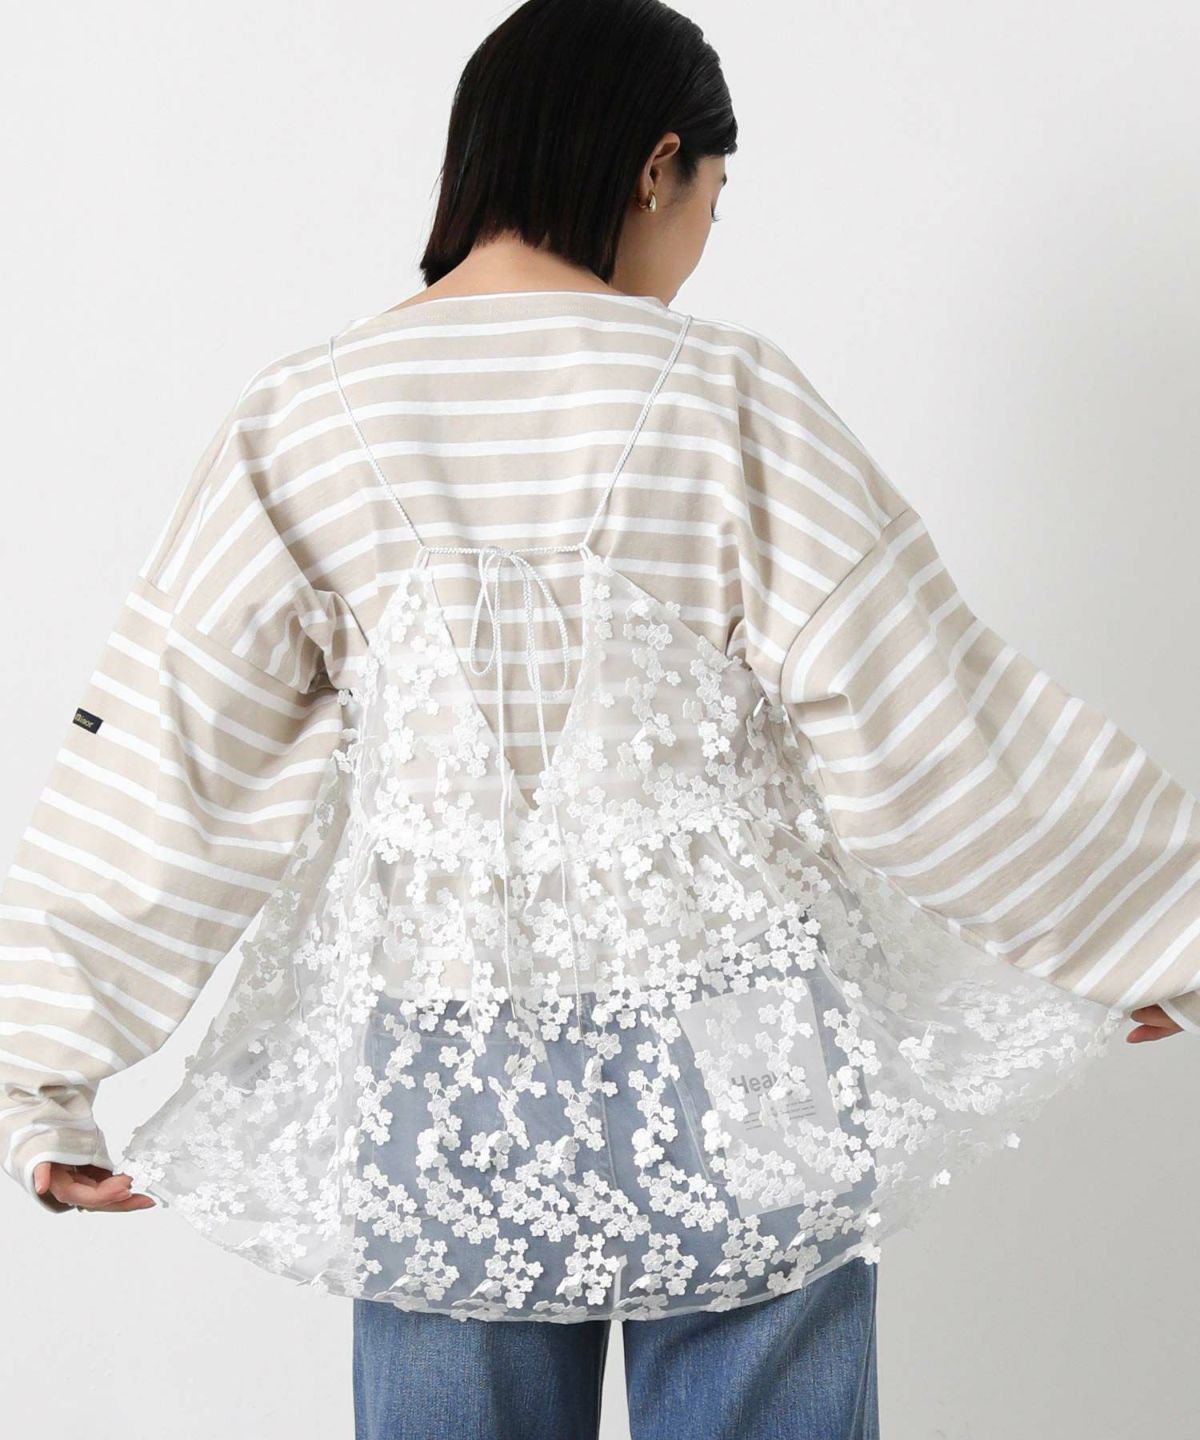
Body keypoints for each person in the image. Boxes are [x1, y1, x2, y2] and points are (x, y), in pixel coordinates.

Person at [2, 2, 1194, 1437]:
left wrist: (38, 1072)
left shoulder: (304, 419)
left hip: (449, 1056)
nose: (699, 247)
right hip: (749, 1038)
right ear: (655, 165)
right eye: (712, 201)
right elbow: (931, 717)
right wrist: (1155, 925)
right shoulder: (729, 396)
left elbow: (163, 762)